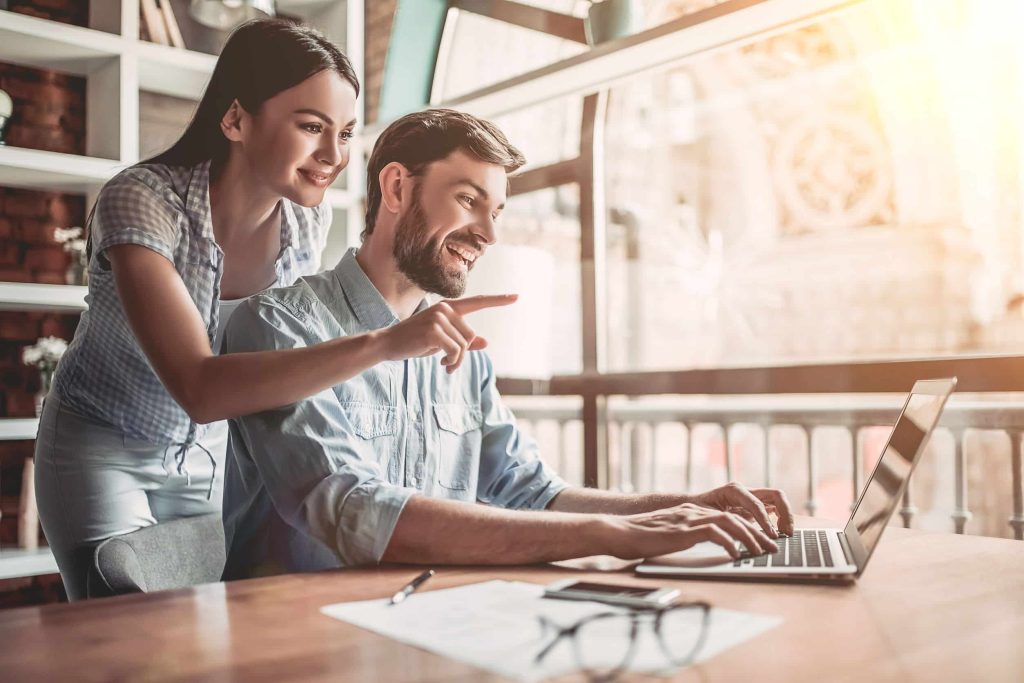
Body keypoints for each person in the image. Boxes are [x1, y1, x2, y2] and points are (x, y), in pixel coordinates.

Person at [34, 21, 511, 601]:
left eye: (345, 132)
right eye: (311, 126)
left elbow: (281, 353)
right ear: (235, 119)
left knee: (200, 633)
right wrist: (387, 343)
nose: (334, 155)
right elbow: (200, 387)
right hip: (109, 444)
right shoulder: (142, 199)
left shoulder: (305, 222)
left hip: (215, 454)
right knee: (121, 634)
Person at [221, 109, 795, 579]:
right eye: (469, 200)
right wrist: (610, 536)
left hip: (425, 624)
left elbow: (532, 491)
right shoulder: (278, 328)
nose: (489, 235)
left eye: (496, 211)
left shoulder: (465, 353)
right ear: (396, 187)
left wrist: (683, 507)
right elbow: (354, 509)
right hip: (295, 638)